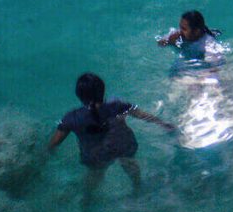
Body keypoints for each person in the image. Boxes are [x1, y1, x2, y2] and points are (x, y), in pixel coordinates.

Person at [48, 72, 176, 197]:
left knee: (95, 174)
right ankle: (137, 187)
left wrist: (47, 153)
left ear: (79, 95)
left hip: (96, 152)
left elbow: (55, 142)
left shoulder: (72, 118)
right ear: (103, 91)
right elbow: (142, 115)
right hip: (123, 144)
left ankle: (87, 200)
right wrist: (163, 124)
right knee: (129, 163)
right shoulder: (117, 105)